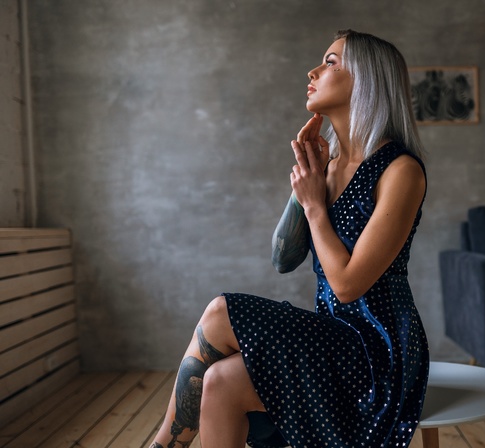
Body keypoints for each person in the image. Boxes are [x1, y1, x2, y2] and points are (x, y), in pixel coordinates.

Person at [150, 29, 429, 448]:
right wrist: (305, 182)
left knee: (220, 311)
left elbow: (349, 285)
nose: (313, 71)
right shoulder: (328, 168)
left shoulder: (400, 170)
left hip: (376, 355)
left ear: (368, 80)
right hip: (331, 335)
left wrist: (316, 205)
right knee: (219, 380)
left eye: (331, 62)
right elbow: (283, 258)